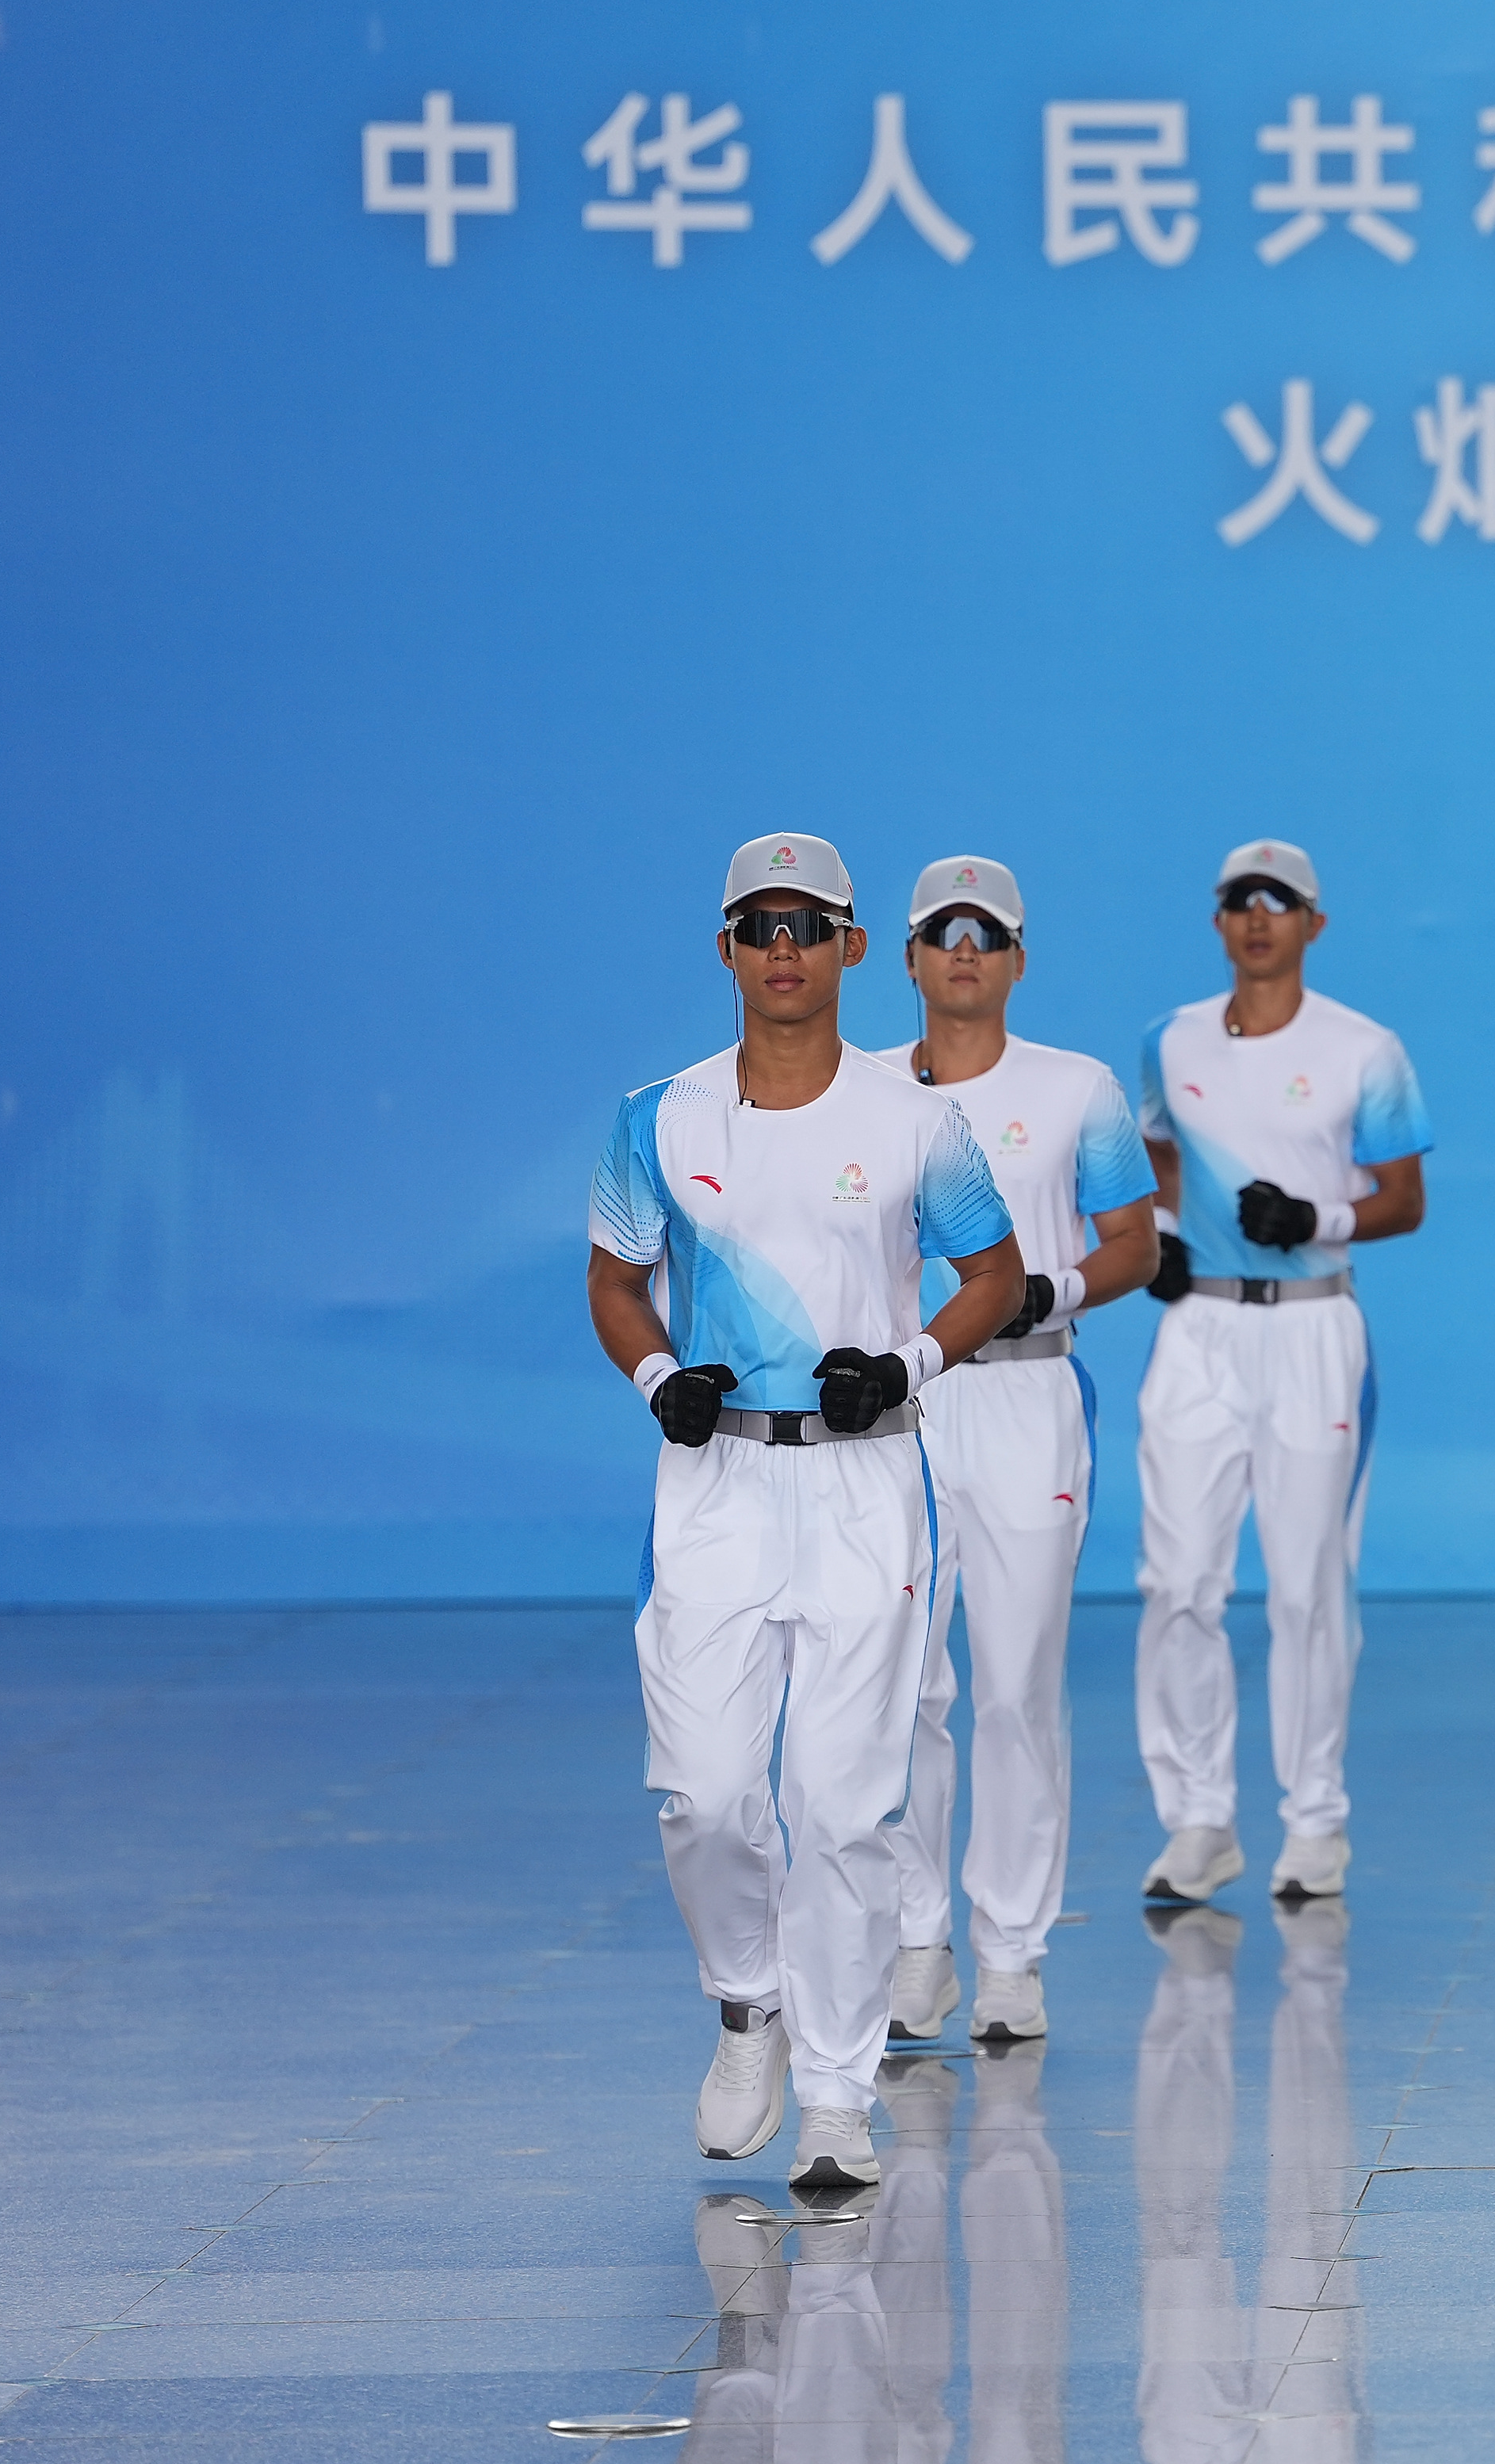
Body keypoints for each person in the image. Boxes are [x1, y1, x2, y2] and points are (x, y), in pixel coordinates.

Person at [586, 831, 1024, 2194]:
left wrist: (908, 1363)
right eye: (760, 926)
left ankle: (838, 2094)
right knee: (707, 1794)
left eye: (810, 925)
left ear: (849, 947)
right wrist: (658, 1377)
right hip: (716, 1482)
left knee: (841, 1806)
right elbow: (615, 1280)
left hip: (864, 1482)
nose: (784, 949)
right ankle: (747, 2008)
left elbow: (995, 1275)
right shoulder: (659, 1118)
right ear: (725, 948)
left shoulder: (914, 1123)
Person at [868, 855, 1163, 2050]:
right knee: (901, 1682)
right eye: (942, 931)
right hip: (901, 1407)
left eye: (985, 933)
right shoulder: (860, 1090)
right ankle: (917, 1939)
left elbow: (1137, 1241)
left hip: (1029, 1396)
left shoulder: (1078, 1088)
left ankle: (1012, 1952)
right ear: (908, 957)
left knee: (1018, 1682)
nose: (964, 951)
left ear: (1018, 959)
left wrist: (1056, 1288)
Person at [1133, 839, 1434, 1908]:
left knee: (1307, 1585)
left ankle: (1315, 1822)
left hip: (1313, 1331)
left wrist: (1318, 1218)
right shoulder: (1168, 1042)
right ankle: (1199, 1819)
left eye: (1280, 901)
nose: (1258, 917)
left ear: (1314, 923)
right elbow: (1160, 1155)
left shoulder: (1363, 1050)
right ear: (1220, 921)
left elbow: (1404, 1198)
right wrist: (1166, 1236)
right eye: (1239, 901)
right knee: (1178, 1581)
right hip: (1201, 1331)